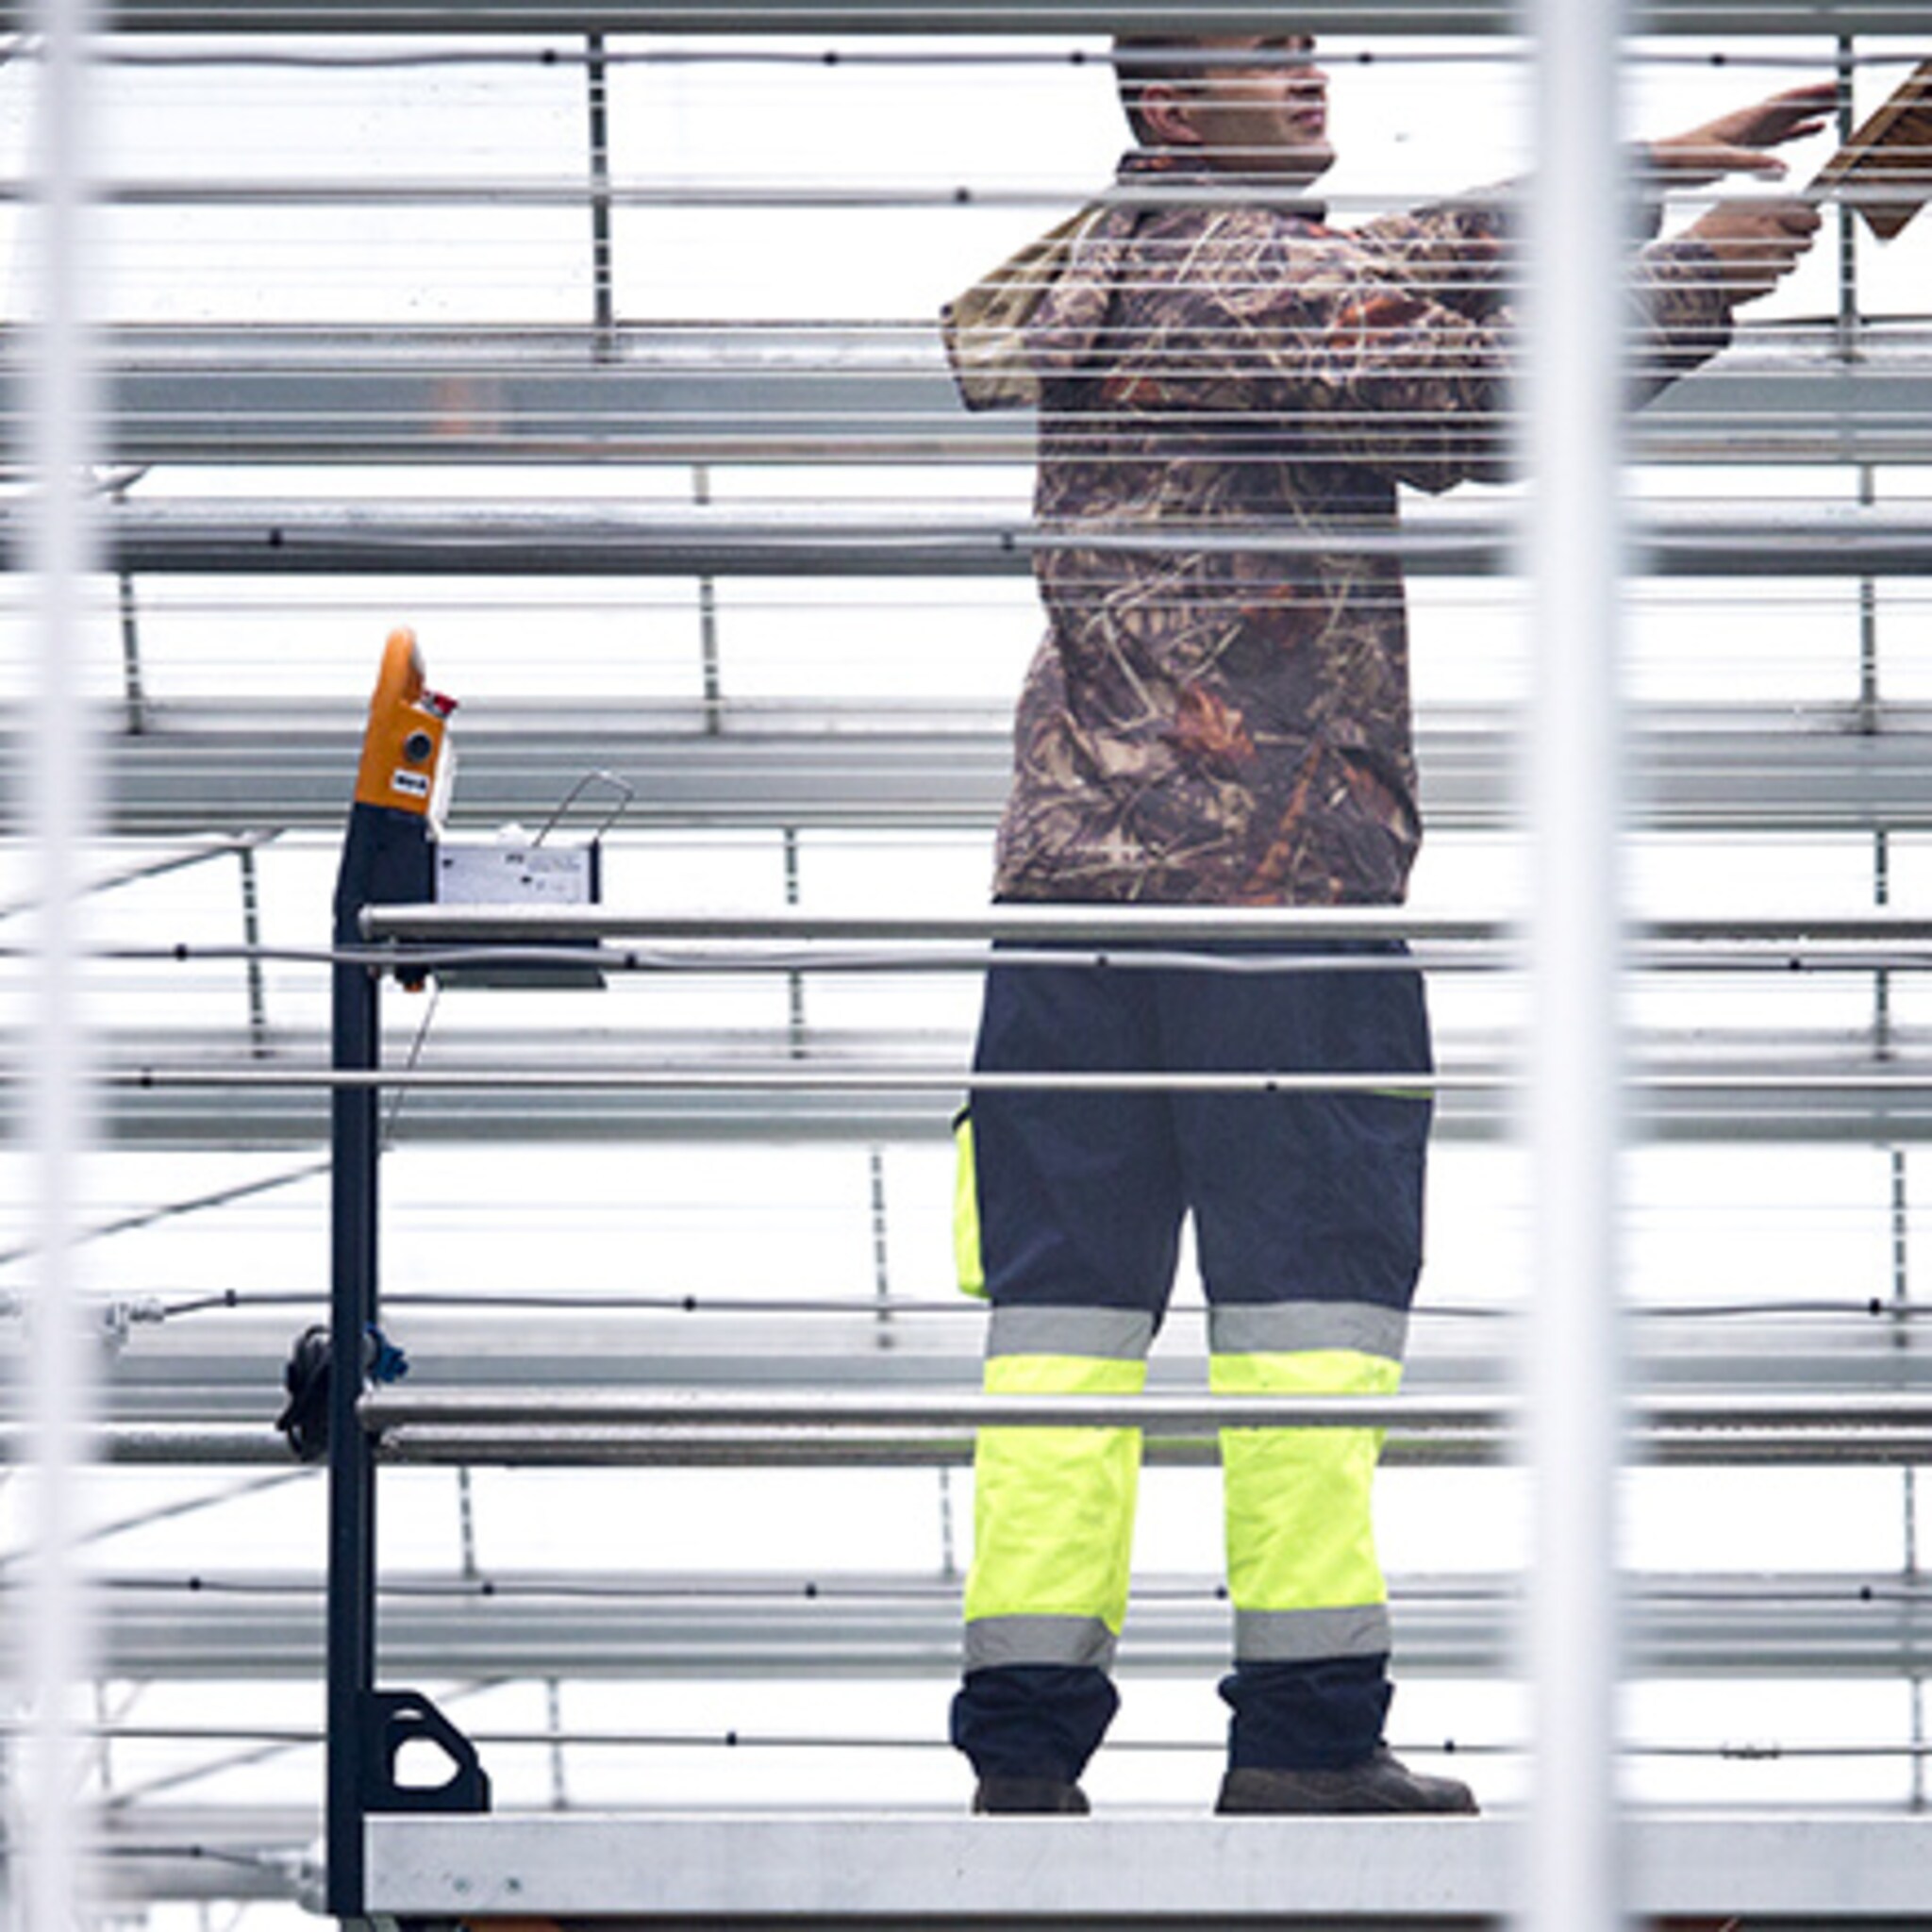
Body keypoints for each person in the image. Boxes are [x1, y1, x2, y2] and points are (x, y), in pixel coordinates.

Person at [939, 34, 1826, 1817]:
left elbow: (1401, 261)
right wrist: (1709, 271)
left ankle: (1026, 1758)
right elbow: (1467, 401)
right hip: (1266, 902)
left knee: (1063, 1335)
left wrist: (1636, 166)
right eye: (1259, 53)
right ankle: (1309, 1740)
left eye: (1309, 40)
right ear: (1170, 108)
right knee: (1307, 1319)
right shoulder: (1237, 260)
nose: (1309, 69)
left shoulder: (1138, 254)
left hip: (1069, 911)